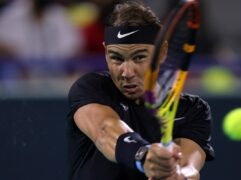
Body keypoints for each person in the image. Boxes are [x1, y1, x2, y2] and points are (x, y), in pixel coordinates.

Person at [67, 1, 215, 180]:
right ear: (106, 53)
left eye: (139, 57)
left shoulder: (192, 110)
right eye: (116, 58)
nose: (127, 72)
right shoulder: (92, 88)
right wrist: (143, 155)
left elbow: (189, 167)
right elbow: (105, 131)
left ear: (162, 52)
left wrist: (178, 175)